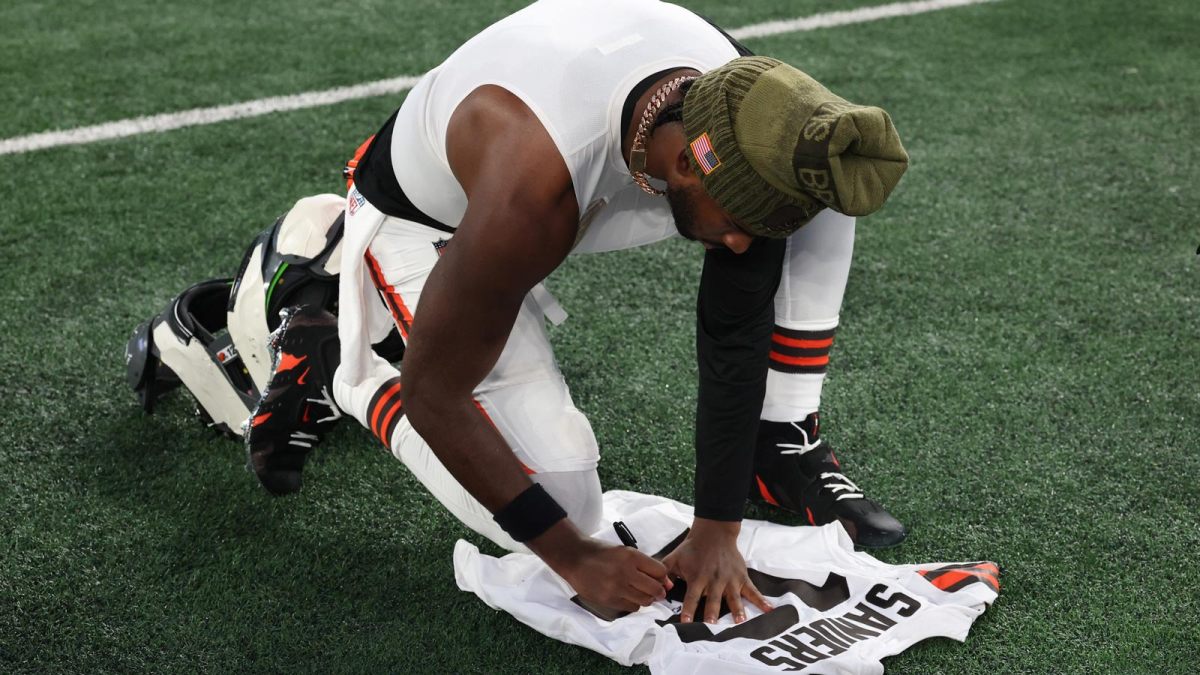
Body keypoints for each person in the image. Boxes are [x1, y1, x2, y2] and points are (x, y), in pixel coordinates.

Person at [245, 0, 910, 625]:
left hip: (606, 156)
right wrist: (573, 556)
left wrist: (717, 527)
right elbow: (435, 393)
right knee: (562, 501)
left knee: (814, 199)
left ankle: (781, 441)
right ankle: (340, 357)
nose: (740, 244)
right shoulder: (529, 186)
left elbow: (732, 333)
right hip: (433, 220)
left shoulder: (739, 112)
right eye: (736, 224)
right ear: (683, 164)